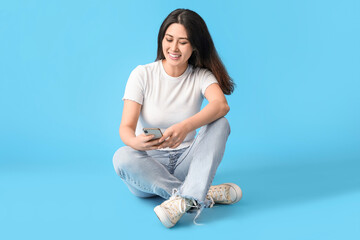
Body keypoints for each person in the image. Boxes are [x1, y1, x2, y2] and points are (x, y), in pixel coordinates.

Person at [112, 8, 242, 228]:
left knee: (221, 123)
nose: (173, 48)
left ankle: (184, 198)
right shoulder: (142, 74)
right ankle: (198, 195)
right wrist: (135, 142)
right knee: (122, 156)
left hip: (187, 162)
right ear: (161, 39)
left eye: (183, 42)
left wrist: (184, 127)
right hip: (149, 166)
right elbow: (125, 128)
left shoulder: (201, 76)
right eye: (169, 39)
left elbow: (221, 105)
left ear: (194, 46)